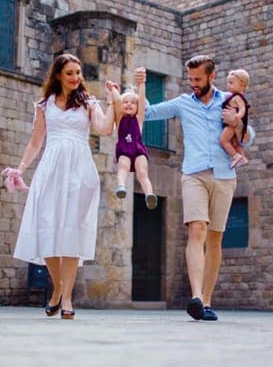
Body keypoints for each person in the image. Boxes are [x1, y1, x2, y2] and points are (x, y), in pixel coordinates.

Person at [135, 55, 254, 322]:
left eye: (198, 79)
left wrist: (237, 123)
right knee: (196, 229)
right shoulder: (182, 104)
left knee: (214, 238)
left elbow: (249, 136)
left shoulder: (229, 99)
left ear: (212, 77)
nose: (193, 84)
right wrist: (141, 87)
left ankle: (208, 301)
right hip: (194, 175)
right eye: (190, 79)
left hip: (224, 176)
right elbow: (148, 113)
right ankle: (197, 297)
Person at [2, 53, 114, 320]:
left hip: (79, 171)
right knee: (47, 229)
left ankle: (66, 299)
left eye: (78, 73)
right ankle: (58, 288)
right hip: (51, 170)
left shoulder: (88, 102)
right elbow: (35, 142)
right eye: (70, 73)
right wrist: (21, 168)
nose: (76, 77)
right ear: (58, 75)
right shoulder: (44, 104)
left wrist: (112, 102)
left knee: (71, 233)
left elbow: (105, 128)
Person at [106, 79, 158, 210]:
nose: (129, 104)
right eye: (126, 102)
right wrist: (113, 89)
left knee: (142, 173)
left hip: (138, 149)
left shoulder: (139, 118)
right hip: (124, 149)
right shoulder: (119, 119)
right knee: (123, 166)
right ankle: (121, 186)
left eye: (133, 103)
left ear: (138, 106)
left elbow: (141, 99)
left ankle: (149, 195)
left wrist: (141, 83)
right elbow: (117, 101)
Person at [220, 69, 251, 169]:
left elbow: (243, 109)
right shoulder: (232, 96)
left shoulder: (238, 97)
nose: (228, 85)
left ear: (241, 85)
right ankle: (242, 157)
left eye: (231, 83)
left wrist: (237, 116)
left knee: (223, 141)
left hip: (231, 124)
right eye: (228, 83)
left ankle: (235, 156)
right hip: (231, 123)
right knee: (234, 143)